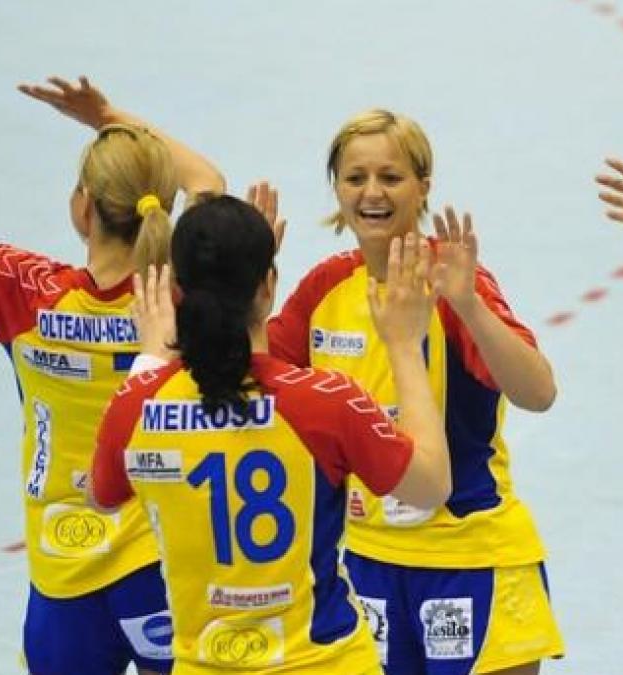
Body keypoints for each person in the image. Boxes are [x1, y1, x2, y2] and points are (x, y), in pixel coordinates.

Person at [0, 5, 224, 673]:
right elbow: (206, 180)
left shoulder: (25, 292)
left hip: (66, 571)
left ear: (82, 207)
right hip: (166, 563)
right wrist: (109, 117)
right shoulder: (185, 284)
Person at [89, 195, 452, 674]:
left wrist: (152, 361)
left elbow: (102, 498)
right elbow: (431, 485)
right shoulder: (323, 402)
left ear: (176, 290)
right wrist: (403, 345)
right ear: (267, 287)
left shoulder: (137, 407)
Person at [267, 109, 565, 674]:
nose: (372, 193)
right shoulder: (326, 288)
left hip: (471, 557)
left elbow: (538, 392)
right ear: (337, 188)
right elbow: (251, 373)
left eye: (391, 177)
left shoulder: (453, 281)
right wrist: (243, 278)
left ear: (423, 187)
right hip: (368, 565)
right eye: (355, 178)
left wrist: (469, 306)